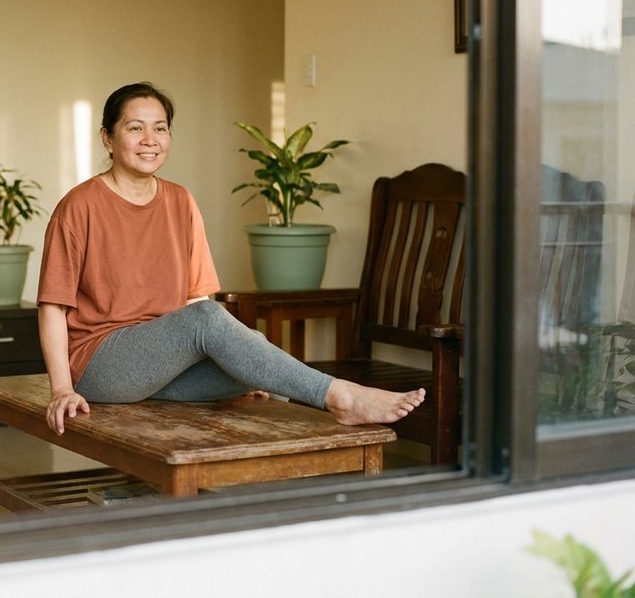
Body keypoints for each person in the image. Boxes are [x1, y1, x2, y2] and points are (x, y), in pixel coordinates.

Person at [37, 81, 426, 435]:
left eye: (160, 128)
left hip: (162, 366)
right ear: (107, 138)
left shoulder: (180, 201)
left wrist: (235, 359)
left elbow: (194, 298)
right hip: (99, 365)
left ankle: (293, 435)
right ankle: (341, 398)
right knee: (219, 330)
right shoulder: (79, 206)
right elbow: (53, 306)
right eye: (135, 128)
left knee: (251, 350)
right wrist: (61, 389)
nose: (150, 139)